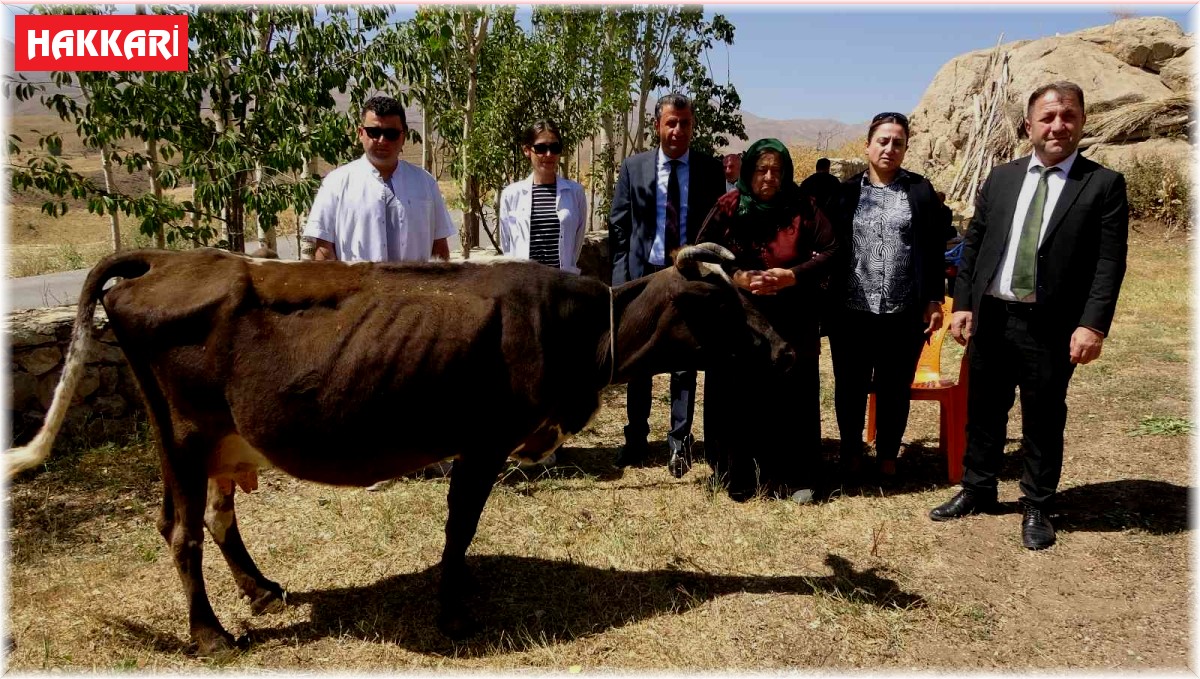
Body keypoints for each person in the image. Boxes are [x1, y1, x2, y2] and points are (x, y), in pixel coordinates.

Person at [929, 81, 1129, 550]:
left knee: (1042, 415)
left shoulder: (1102, 185)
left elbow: (1109, 262)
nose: (1058, 125)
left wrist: (1093, 324)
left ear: (1081, 122)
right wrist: (963, 305)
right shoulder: (1001, 178)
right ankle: (978, 489)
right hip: (992, 318)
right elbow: (974, 244)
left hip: (1051, 325)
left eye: (1068, 116)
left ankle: (1037, 504)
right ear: (1029, 125)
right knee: (983, 409)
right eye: (1048, 117)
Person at [696, 138, 838, 502]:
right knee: (740, 396)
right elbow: (700, 255)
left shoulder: (804, 208)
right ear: (748, 172)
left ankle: (796, 478)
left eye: (777, 170)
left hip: (793, 320)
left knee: (792, 398)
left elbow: (832, 250)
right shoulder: (728, 207)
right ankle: (738, 475)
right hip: (742, 322)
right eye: (762, 169)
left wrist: (793, 275)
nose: (769, 177)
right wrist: (739, 276)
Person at [826, 112, 949, 482]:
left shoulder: (920, 191)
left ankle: (888, 456)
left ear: (905, 148)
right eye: (882, 140)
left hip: (903, 310)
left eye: (897, 142)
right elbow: (830, 249)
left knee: (895, 386)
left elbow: (932, 248)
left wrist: (933, 299)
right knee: (850, 386)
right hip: (852, 311)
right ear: (867, 146)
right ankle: (851, 452)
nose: (889, 148)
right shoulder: (845, 193)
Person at [609, 92, 727, 477]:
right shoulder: (634, 168)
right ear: (657, 125)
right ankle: (636, 441)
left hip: (687, 280)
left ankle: (680, 442)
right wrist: (621, 280)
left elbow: (718, 226)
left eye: (685, 123)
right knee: (638, 361)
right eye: (671, 123)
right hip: (644, 280)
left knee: (684, 364)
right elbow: (619, 226)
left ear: (693, 126)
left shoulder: (709, 171)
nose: (678, 130)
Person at [302, 95, 455, 263]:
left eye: (391, 134)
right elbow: (324, 249)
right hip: (358, 288)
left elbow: (439, 247)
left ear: (403, 136)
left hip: (415, 288)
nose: (382, 140)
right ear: (361, 133)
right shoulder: (336, 183)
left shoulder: (425, 183)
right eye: (374, 132)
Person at [499, 119, 588, 274]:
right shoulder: (511, 195)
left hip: (562, 286)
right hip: (525, 287)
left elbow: (576, 244)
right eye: (541, 148)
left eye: (555, 148)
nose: (549, 154)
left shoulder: (575, 193)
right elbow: (506, 245)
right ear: (527, 150)